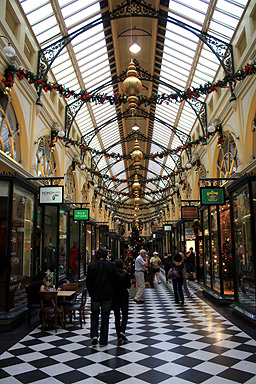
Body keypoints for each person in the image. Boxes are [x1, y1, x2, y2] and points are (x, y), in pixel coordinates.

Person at [86, 247, 120, 347]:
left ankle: (94, 335)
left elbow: (89, 282)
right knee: (105, 316)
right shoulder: (112, 265)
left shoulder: (92, 266)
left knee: (94, 314)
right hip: (107, 295)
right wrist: (111, 290)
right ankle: (103, 340)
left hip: (96, 295)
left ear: (99, 254)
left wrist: (91, 292)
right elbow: (116, 279)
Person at [112, 259, 131, 344]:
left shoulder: (113, 274)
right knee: (125, 315)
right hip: (124, 296)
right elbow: (128, 285)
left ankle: (118, 336)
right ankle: (122, 331)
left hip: (115, 297)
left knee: (117, 316)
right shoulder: (125, 273)